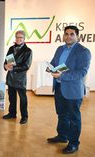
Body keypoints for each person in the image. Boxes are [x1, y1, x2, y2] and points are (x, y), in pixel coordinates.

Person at [47, 26, 91, 154]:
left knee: (74, 118)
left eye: (72, 34)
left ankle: (73, 143)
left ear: (77, 36)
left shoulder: (84, 52)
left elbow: (81, 72)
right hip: (59, 87)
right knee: (61, 114)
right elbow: (54, 62)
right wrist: (51, 68)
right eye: (66, 34)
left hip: (73, 90)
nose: (68, 36)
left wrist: (62, 75)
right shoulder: (60, 48)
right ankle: (62, 136)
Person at [3, 30, 32, 124]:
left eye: (21, 37)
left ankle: (24, 116)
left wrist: (13, 68)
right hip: (11, 77)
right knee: (11, 97)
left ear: (24, 39)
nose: (18, 39)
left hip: (20, 78)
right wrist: (5, 66)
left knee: (23, 99)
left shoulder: (28, 51)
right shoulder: (11, 48)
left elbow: (26, 66)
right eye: (17, 37)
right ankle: (12, 113)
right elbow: (6, 60)